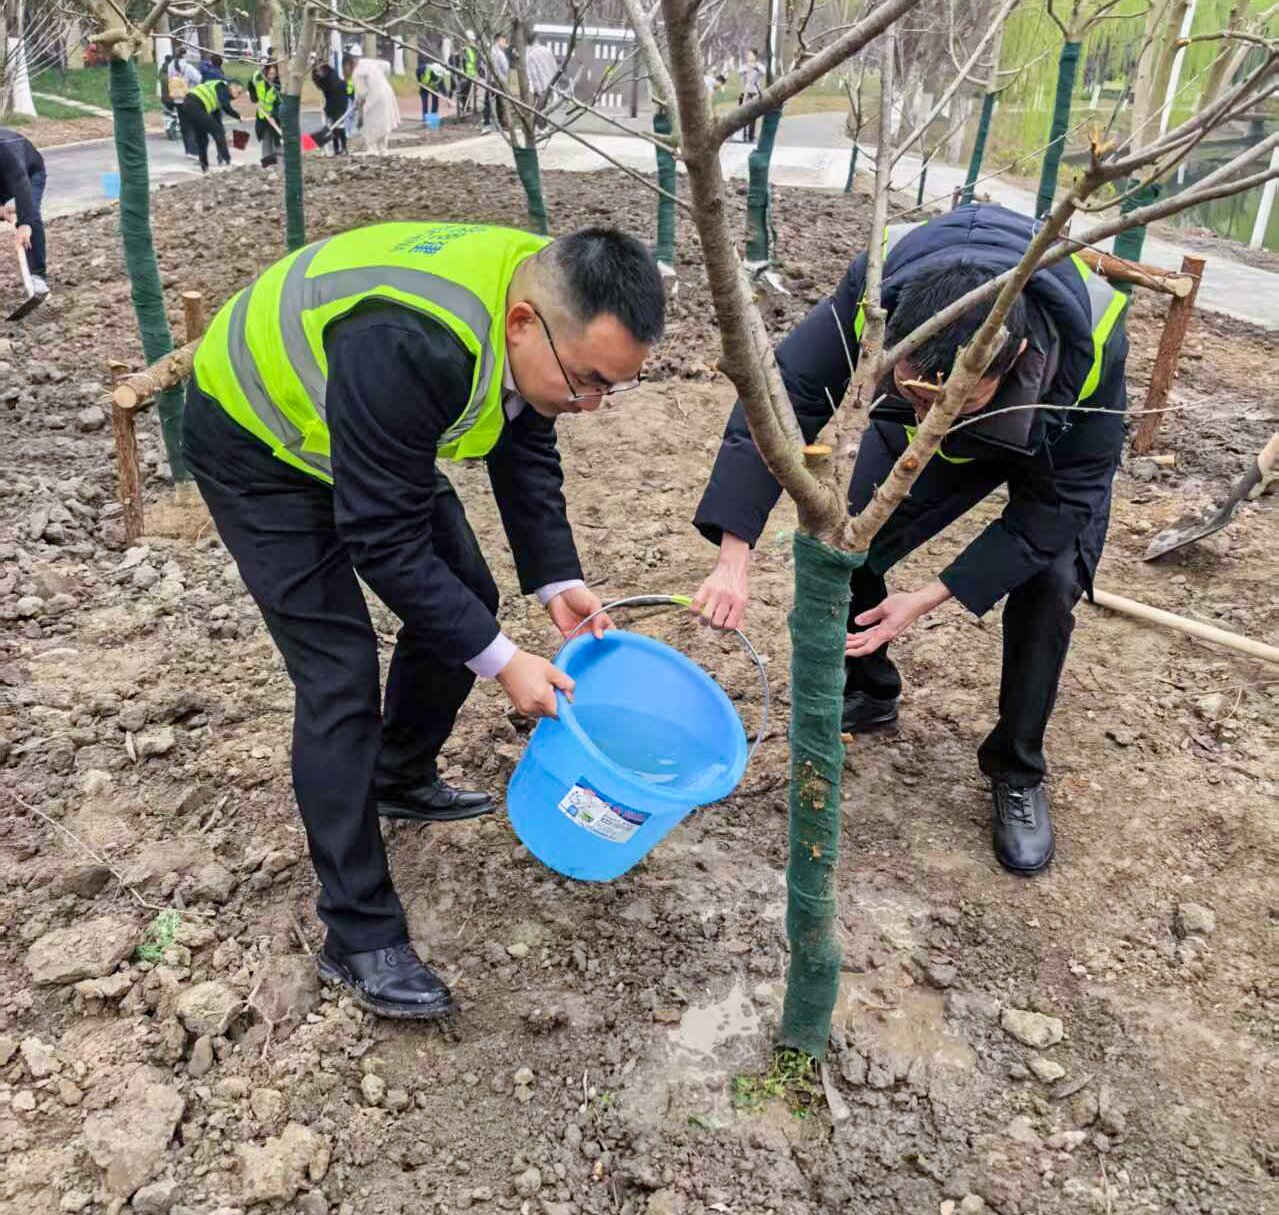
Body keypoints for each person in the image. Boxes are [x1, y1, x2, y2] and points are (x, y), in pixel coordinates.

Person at [183, 222, 666, 1017]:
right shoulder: (411, 339)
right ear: (522, 324)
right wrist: (503, 661)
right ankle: (357, 931)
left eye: (614, 387)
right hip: (261, 440)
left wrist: (556, 579)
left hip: (362, 430)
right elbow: (381, 539)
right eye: (588, 381)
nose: (592, 405)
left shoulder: (539, 289)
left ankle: (398, 775)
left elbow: (524, 431)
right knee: (339, 675)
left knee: (465, 596)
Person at [692, 204, 1130, 877]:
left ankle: (1015, 770)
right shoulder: (878, 285)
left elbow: (1065, 500)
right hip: (949, 426)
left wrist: (932, 595)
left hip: (1053, 449)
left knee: (1048, 586)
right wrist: (733, 554)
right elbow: (784, 395)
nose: (930, 417)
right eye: (916, 393)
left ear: (1011, 355)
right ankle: (871, 690)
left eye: (950, 399)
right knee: (849, 536)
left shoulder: (1091, 334)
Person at [0, 127, 50, 303]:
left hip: (29, 173)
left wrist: (25, 223)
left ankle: (37, 277)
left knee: (30, 215)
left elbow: (21, 183)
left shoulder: (5, 148)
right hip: (3, 180)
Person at [180, 77, 243, 172]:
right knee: (218, 132)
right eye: (238, 92)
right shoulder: (222, 87)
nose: (238, 96)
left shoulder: (217, 93)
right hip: (195, 104)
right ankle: (228, 161)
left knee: (202, 139)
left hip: (188, 105)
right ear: (232, 87)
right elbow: (226, 107)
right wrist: (238, 116)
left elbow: (217, 119)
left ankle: (204, 167)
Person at [350, 55, 399, 154]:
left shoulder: (356, 72)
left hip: (374, 97)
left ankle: (372, 149)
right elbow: (387, 65)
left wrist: (358, 103)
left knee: (369, 121)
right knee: (383, 121)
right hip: (386, 94)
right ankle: (383, 148)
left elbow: (362, 93)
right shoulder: (369, 62)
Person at [313, 61, 351, 155]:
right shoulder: (322, 80)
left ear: (325, 70)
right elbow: (325, 92)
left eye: (319, 71)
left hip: (340, 101)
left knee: (338, 124)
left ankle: (344, 147)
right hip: (330, 103)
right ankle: (336, 148)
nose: (318, 73)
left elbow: (339, 90)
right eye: (316, 71)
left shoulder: (333, 78)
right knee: (332, 126)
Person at [252, 62, 281, 167]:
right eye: (270, 73)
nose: (271, 76)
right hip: (262, 117)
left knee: (277, 140)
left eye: (274, 74)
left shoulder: (278, 86)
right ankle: (267, 164)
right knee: (266, 140)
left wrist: (273, 115)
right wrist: (254, 98)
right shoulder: (260, 80)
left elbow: (279, 103)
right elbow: (252, 85)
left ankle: (279, 164)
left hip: (275, 118)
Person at [482, 33, 509, 133]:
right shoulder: (499, 53)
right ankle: (501, 124)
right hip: (498, 81)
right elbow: (505, 68)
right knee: (500, 103)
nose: (505, 43)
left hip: (490, 80)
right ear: (499, 40)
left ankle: (487, 124)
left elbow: (483, 66)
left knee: (488, 102)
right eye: (504, 41)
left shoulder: (488, 52)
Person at [739, 48, 763, 143]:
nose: (748, 56)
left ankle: (751, 136)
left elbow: (763, 72)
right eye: (747, 54)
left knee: (753, 114)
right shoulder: (744, 66)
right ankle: (743, 134)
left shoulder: (759, 66)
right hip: (744, 93)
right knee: (742, 114)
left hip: (753, 93)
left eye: (750, 54)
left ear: (755, 56)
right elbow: (740, 72)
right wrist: (748, 68)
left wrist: (755, 67)